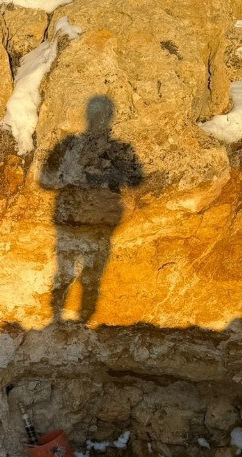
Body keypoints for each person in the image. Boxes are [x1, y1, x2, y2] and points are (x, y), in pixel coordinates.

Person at [41, 96, 142, 324]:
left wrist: (80, 177)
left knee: (70, 275)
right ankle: (72, 324)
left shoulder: (73, 147)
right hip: (89, 224)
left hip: (82, 223)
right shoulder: (115, 150)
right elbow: (135, 179)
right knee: (85, 277)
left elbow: (47, 181)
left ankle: (64, 323)